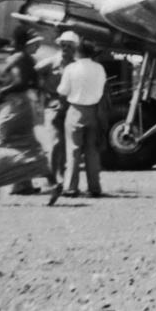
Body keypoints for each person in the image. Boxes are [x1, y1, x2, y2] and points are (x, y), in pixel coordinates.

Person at [0, 27, 57, 204]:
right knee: (28, 145)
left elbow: (21, 82)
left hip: (15, 106)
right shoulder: (28, 59)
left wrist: (3, 92)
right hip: (26, 105)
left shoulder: (17, 58)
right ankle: (52, 183)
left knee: (0, 144)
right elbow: (30, 82)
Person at [57, 37, 107, 199]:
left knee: (73, 150)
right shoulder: (99, 68)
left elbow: (63, 91)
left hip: (75, 110)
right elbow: (101, 88)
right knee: (92, 151)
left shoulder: (71, 68)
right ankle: (94, 187)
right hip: (94, 111)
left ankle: (71, 187)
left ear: (77, 51)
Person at [36, 31, 79, 186]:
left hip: (71, 106)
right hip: (53, 106)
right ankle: (53, 176)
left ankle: (61, 174)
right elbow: (34, 73)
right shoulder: (50, 63)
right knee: (55, 141)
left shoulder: (76, 65)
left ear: (75, 48)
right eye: (63, 45)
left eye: (69, 45)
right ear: (59, 45)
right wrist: (39, 92)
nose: (66, 48)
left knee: (68, 143)